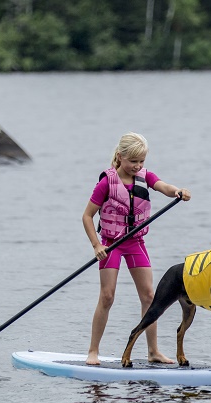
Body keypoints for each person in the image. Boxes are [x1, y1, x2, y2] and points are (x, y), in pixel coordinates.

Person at [82, 132, 191, 365]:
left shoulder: (144, 176)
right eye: (133, 161)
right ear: (120, 157)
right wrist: (96, 245)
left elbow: (162, 186)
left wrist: (177, 192)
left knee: (150, 296)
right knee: (107, 296)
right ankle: (93, 351)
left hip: (135, 243)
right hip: (111, 245)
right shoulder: (106, 183)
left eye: (141, 161)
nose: (138, 166)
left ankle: (153, 351)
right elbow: (87, 216)